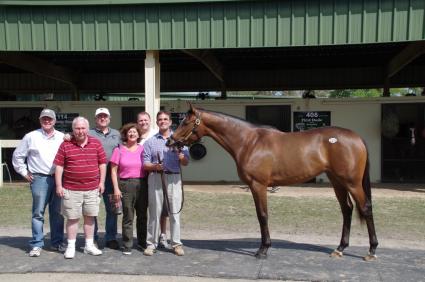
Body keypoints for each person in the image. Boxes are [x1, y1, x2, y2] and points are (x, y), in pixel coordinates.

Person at [12, 108, 65, 257]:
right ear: (40, 120)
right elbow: (18, 156)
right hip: (39, 178)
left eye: (50, 119)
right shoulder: (31, 137)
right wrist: (23, 172)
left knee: (58, 213)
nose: (47, 121)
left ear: (54, 121)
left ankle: (57, 242)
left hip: (58, 178)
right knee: (38, 213)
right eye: (44, 119)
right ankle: (36, 244)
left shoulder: (62, 137)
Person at [54, 116, 107, 259]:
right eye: (77, 128)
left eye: (83, 128)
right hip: (71, 189)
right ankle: (71, 246)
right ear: (73, 130)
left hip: (92, 188)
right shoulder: (65, 144)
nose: (80, 131)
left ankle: (89, 246)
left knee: (90, 218)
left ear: (88, 129)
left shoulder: (96, 143)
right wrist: (59, 185)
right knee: (72, 219)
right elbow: (59, 166)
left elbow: (102, 164)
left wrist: (102, 182)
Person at [143, 111, 189, 256]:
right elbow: (145, 164)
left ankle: (176, 244)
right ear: (157, 123)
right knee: (155, 212)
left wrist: (182, 157)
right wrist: (155, 166)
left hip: (174, 178)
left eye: (165, 119)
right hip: (156, 177)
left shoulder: (180, 140)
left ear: (170, 122)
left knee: (175, 212)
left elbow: (186, 162)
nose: (162, 121)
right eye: (160, 119)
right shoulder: (150, 142)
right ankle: (151, 244)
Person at [110, 123, 147, 255]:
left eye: (135, 132)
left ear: (138, 135)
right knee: (128, 215)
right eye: (129, 132)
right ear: (125, 135)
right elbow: (113, 171)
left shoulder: (143, 149)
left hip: (142, 184)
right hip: (125, 184)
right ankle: (127, 244)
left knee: (142, 215)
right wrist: (116, 188)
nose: (132, 134)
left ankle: (142, 243)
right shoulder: (119, 149)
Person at [90, 108, 121, 250]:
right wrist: (67, 136)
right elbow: (73, 138)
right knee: (92, 209)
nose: (102, 118)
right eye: (100, 116)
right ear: (96, 119)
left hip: (111, 178)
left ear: (109, 118)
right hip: (93, 176)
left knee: (112, 209)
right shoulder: (88, 133)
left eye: (105, 116)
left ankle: (111, 237)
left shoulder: (117, 134)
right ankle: (93, 238)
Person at [137, 111, 168, 248]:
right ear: (137, 123)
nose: (143, 122)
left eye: (146, 120)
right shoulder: (133, 135)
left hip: (154, 175)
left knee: (162, 209)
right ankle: (145, 239)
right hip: (139, 178)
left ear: (150, 121)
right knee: (143, 210)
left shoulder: (156, 136)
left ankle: (162, 235)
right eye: (141, 121)